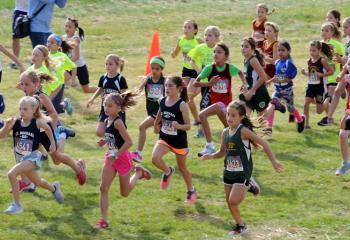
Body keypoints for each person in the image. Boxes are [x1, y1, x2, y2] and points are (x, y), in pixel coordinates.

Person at [200, 100, 283, 235]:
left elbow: (264, 143)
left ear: (241, 117)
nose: (229, 118)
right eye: (228, 115)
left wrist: (274, 161)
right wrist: (210, 156)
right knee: (229, 201)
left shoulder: (243, 131)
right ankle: (240, 225)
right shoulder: (225, 132)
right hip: (228, 171)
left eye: (233, 115)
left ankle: (249, 184)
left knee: (233, 201)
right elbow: (222, 152)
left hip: (243, 172)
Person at [20, 71, 87, 187]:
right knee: (25, 153)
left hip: (49, 130)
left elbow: (53, 114)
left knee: (57, 159)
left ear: (36, 84)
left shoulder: (41, 96)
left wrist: (54, 133)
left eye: (27, 84)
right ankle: (25, 182)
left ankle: (78, 168)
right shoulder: (27, 98)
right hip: (37, 132)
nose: (24, 87)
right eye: (22, 84)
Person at [95, 92, 152, 229]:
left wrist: (117, 154)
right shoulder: (107, 120)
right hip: (111, 157)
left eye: (110, 105)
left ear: (119, 108)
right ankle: (103, 220)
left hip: (122, 158)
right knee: (103, 188)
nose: (106, 108)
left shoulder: (118, 122)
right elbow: (113, 137)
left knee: (124, 193)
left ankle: (138, 173)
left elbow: (129, 142)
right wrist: (105, 141)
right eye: (105, 105)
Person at [0, 96, 64, 214]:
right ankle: (54, 188)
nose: (21, 112)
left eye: (25, 109)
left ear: (34, 110)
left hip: (32, 158)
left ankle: (17, 205)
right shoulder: (15, 122)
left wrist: (53, 144)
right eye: (20, 109)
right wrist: (6, 126)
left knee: (11, 174)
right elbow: (1, 136)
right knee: (38, 182)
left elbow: (48, 129)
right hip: (21, 159)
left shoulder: (37, 122)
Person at [194, 43, 245, 156]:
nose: (216, 54)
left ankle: (210, 146)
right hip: (217, 103)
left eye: (219, 52)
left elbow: (240, 73)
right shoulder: (209, 68)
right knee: (228, 128)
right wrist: (209, 83)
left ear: (225, 56)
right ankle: (238, 146)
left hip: (225, 104)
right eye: (214, 52)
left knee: (202, 115)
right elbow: (195, 83)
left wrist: (245, 84)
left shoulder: (229, 68)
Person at [152, 76, 196, 204]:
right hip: (165, 138)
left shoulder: (182, 105)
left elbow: (188, 125)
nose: (167, 88)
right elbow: (160, 114)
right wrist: (156, 125)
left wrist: (178, 126)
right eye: (166, 85)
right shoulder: (162, 101)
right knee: (155, 159)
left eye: (170, 85)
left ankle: (190, 190)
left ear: (179, 89)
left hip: (179, 142)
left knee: (182, 168)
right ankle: (168, 171)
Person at [264, 40, 305, 134]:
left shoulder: (289, 63)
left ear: (289, 51)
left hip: (287, 90)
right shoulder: (277, 62)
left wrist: (281, 80)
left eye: (283, 50)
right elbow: (276, 76)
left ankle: (300, 121)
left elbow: (290, 78)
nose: (280, 52)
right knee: (273, 104)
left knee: (291, 108)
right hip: (277, 90)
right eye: (279, 50)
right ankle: (269, 127)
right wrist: (269, 81)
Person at [187, 26, 221, 137]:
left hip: (214, 83)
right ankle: (199, 122)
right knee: (194, 99)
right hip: (203, 83)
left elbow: (226, 62)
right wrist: (198, 70)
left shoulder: (219, 49)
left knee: (205, 106)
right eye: (205, 34)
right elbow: (190, 60)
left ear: (216, 38)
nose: (206, 37)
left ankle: (201, 131)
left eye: (209, 35)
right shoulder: (200, 48)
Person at [132, 57, 165, 163]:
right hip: (151, 111)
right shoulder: (148, 79)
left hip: (160, 111)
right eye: (152, 68)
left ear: (161, 70)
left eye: (157, 69)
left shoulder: (165, 81)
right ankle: (180, 148)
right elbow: (138, 90)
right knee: (164, 134)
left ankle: (138, 154)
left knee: (142, 127)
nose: (154, 71)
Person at [87, 54, 128, 137]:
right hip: (105, 109)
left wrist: (122, 107)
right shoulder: (103, 78)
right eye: (106, 64)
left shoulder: (120, 79)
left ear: (117, 65)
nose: (107, 66)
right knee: (99, 132)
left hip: (117, 110)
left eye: (110, 64)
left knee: (119, 133)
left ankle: (116, 144)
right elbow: (100, 89)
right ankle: (109, 139)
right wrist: (92, 99)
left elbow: (123, 95)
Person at [318, 19, 350, 126]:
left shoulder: (339, 44)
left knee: (336, 95)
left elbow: (345, 59)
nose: (343, 29)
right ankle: (329, 119)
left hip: (338, 74)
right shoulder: (347, 42)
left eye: (346, 27)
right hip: (343, 73)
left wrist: (340, 61)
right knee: (336, 92)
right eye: (343, 27)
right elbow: (346, 60)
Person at [302, 40, 333, 129]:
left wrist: (322, 75)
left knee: (319, 111)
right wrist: (305, 73)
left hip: (320, 87)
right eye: (310, 50)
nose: (312, 52)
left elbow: (331, 71)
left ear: (319, 50)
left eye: (314, 50)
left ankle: (328, 98)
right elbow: (312, 73)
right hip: (311, 86)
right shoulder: (309, 60)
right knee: (306, 104)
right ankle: (306, 124)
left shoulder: (322, 60)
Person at [62, 17, 98, 92]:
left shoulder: (76, 38)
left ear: (75, 29)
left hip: (80, 67)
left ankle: (102, 91)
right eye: (66, 26)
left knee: (86, 89)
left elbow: (76, 56)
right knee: (60, 80)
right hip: (70, 66)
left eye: (70, 27)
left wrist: (66, 62)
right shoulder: (63, 37)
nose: (67, 28)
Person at [239, 38, 270, 120]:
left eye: (246, 46)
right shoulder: (246, 60)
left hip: (259, 92)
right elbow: (248, 76)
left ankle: (265, 132)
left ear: (252, 49)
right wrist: (244, 85)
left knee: (262, 118)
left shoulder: (253, 60)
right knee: (244, 115)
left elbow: (263, 77)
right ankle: (244, 131)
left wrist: (252, 90)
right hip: (249, 92)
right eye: (242, 46)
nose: (243, 48)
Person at [47, 33, 75, 114]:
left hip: (58, 85)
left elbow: (73, 67)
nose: (49, 44)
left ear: (58, 45)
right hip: (47, 84)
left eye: (52, 43)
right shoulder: (45, 55)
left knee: (56, 107)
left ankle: (66, 104)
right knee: (47, 105)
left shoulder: (62, 56)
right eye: (48, 42)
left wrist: (73, 80)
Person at [171, 20, 201, 86]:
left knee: (191, 89)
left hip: (196, 68)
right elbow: (175, 54)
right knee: (184, 89)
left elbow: (206, 49)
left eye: (189, 27)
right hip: (186, 69)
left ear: (195, 30)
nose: (186, 29)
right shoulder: (181, 40)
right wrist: (173, 54)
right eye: (185, 27)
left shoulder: (198, 41)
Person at [336, 58, 350, 176]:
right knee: (342, 134)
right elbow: (339, 91)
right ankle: (346, 164)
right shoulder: (347, 76)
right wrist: (341, 76)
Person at [10, 0, 28, 69]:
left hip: (33, 11)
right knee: (15, 36)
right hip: (19, 10)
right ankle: (16, 61)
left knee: (35, 35)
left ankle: (37, 60)